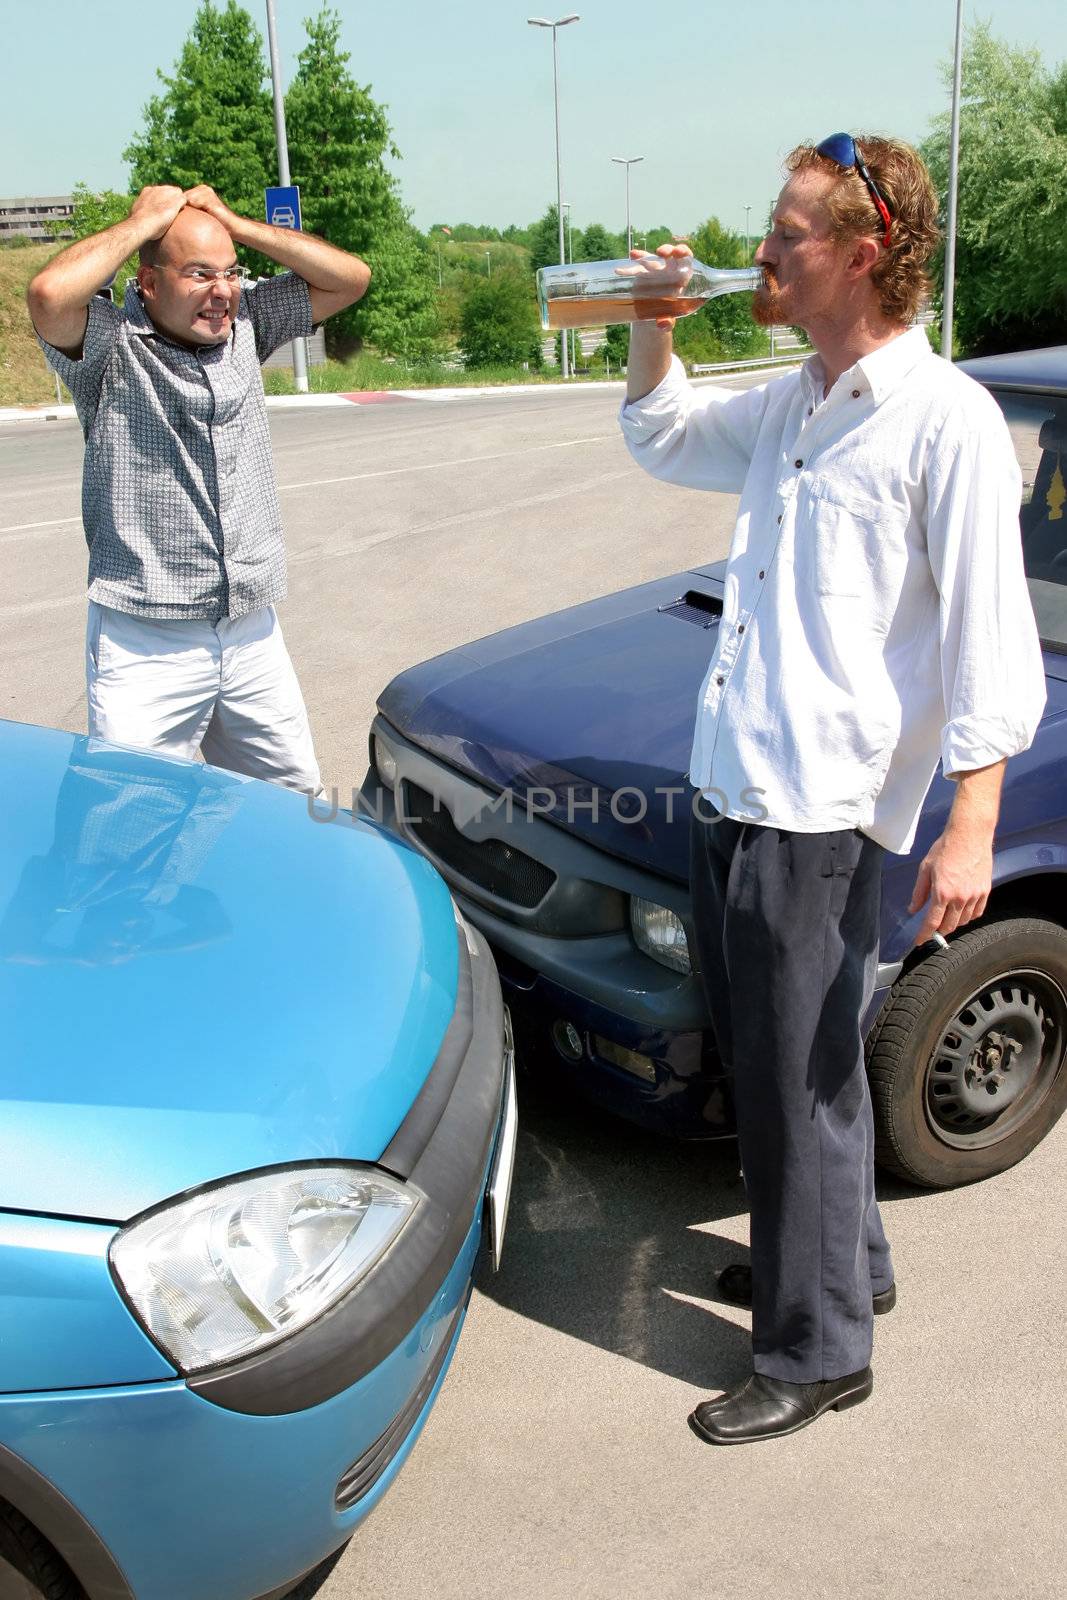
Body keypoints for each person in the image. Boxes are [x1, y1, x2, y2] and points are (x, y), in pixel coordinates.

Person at [619, 134, 1046, 1445]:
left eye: (786, 233)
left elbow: (986, 639)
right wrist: (648, 323)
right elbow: (658, 431)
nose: (763, 250)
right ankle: (839, 1264)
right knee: (780, 1062)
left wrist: (967, 823)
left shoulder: (941, 421)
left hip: (823, 808)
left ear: (863, 253)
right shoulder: (795, 399)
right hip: (735, 782)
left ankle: (815, 1354)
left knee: (797, 1084)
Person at [26, 184, 371, 794]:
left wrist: (235, 223)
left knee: (291, 803)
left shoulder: (247, 324)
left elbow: (351, 278)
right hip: (146, 640)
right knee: (134, 819)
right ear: (149, 283)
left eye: (231, 273)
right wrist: (141, 222)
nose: (223, 291)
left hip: (248, 628)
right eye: (199, 274)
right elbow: (50, 294)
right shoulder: (108, 346)